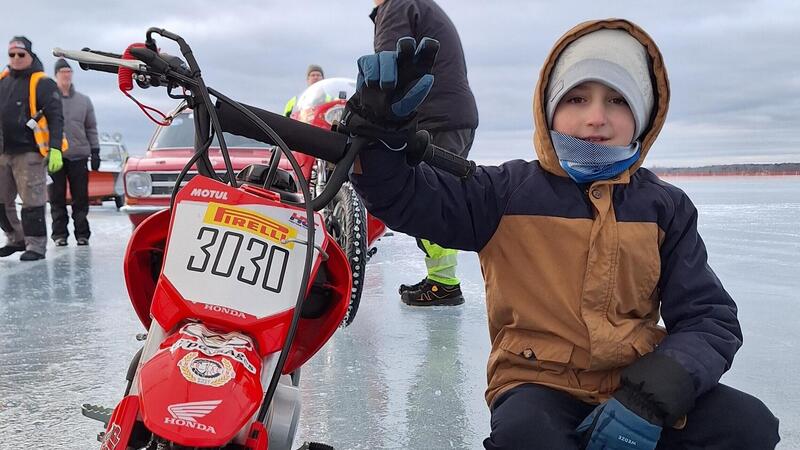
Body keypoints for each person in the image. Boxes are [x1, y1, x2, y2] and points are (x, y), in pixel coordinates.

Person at [342, 19, 780, 449]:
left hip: (635, 384)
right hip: (537, 386)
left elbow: (709, 317)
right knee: (527, 433)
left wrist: (649, 398)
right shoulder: (503, 192)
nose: (595, 118)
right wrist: (379, 140)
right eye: (576, 98)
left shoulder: (666, 208)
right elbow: (405, 197)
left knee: (749, 425)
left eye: (618, 101)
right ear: (548, 107)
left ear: (645, 117)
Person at [371, 0, 479, 306]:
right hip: (450, 113)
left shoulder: (397, 6)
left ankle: (445, 283)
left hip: (434, 116)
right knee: (435, 193)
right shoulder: (415, 5)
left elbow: (388, 68)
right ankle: (441, 280)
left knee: (429, 197)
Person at [0, 36, 64, 261]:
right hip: (3, 152)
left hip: (30, 153)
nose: (16, 59)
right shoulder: (3, 80)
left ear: (29, 55)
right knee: (1, 201)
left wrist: (55, 148)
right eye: (11, 55)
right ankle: (16, 238)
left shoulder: (42, 82)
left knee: (32, 202)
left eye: (20, 54)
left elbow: (56, 117)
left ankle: (35, 246)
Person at [49, 58, 99, 246]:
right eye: (62, 72)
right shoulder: (48, 100)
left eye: (69, 71)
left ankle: (82, 234)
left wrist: (95, 151)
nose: (66, 75)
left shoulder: (83, 101)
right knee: (56, 198)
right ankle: (59, 235)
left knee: (80, 198)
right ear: (56, 75)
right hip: (55, 156)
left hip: (79, 155)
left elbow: (91, 127)